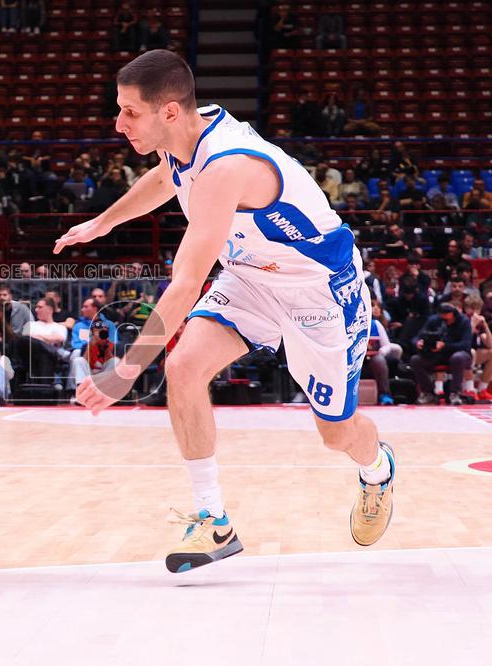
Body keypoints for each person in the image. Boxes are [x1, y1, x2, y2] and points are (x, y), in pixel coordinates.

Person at [54, 50, 392, 573]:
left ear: (168, 111)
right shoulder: (186, 133)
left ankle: (377, 470)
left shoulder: (226, 164)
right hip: (252, 277)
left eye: (128, 112)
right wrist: (104, 222)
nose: (117, 123)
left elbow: (186, 281)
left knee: (337, 433)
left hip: (318, 291)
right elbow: (167, 178)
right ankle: (213, 520)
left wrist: (124, 372)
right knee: (183, 367)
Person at [409, 303, 473, 405]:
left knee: (457, 358)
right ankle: (428, 392)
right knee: (415, 360)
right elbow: (416, 337)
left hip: (458, 354)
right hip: (436, 355)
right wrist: (418, 342)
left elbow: (466, 344)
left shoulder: (464, 322)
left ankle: (455, 393)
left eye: (447, 319)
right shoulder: (434, 320)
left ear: (453, 315)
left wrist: (445, 346)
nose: (445, 321)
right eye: (442, 318)